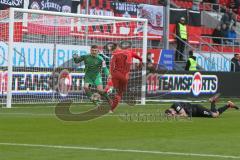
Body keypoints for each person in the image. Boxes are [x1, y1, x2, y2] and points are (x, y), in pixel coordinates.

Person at [109, 41, 143, 113]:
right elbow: (140, 58)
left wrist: (110, 74)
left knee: (112, 89)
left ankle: (109, 92)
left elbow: (112, 66)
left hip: (116, 75)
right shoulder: (129, 52)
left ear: (116, 48)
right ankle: (111, 110)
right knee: (119, 93)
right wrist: (140, 64)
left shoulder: (114, 54)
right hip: (125, 77)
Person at [165, 93, 239, 118]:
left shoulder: (176, 105)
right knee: (214, 113)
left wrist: (175, 116)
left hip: (197, 109)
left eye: (171, 113)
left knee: (214, 115)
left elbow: (184, 115)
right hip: (196, 114)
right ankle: (227, 104)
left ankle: (226, 104)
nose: (173, 114)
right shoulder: (175, 109)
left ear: (171, 109)